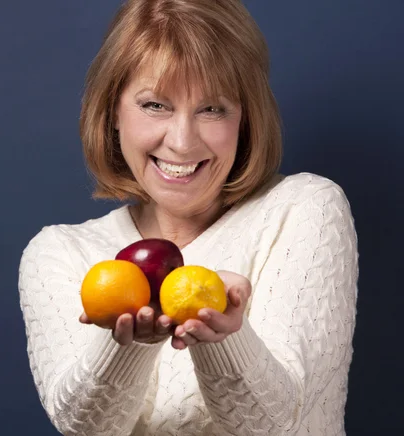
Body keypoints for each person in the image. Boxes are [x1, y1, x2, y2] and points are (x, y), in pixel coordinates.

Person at [18, 0, 358, 434]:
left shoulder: (303, 209)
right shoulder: (60, 254)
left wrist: (225, 338)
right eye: (155, 105)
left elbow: (275, 424)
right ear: (113, 113)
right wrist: (130, 344)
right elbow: (86, 429)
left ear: (246, 120)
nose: (181, 142)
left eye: (212, 109)